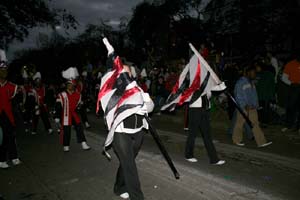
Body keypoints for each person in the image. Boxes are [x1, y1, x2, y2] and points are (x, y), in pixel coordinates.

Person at [98, 37, 154, 200]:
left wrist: (145, 105)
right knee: (130, 165)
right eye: (124, 73)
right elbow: (110, 109)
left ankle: (118, 186)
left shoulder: (137, 88)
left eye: (129, 73)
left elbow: (150, 106)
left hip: (137, 132)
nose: (128, 75)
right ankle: (137, 197)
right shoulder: (111, 93)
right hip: (120, 132)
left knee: (126, 162)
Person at [232, 66, 272, 147]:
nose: (255, 75)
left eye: (255, 73)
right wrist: (244, 105)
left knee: (255, 124)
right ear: (248, 73)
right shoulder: (240, 82)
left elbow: (254, 96)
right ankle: (236, 140)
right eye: (253, 73)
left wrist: (256, 105)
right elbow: (238, 95)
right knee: (240, 123)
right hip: (244, 108)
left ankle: (261, 142)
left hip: (252, 107)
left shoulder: (252, 83)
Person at [54, 67, 91, 152]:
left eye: (72, 85)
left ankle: (83, 143)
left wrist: (81, 105)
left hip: (74, 114)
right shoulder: (62, 95)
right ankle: (66, 145)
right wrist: (57, 116)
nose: (70, 86)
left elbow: (79, 104)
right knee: (67, 130)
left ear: (74, 85)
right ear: (67, 85)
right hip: (65, 114)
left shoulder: (77, 94)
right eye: (69, 84)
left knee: (79, 127)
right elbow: (58, 106)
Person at [0, 51, 22, 169]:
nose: (4, 72)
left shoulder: (12, 86)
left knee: (11, 136)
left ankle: (14, 157)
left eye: (5, 70)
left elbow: (15, 103)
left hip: (8, 115)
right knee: (1, 138)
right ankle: (2, 159)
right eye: (1, 70)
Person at [281, 55, 300, 133]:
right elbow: (284, 78)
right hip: (294, 87)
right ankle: (288, 125)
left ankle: (298, 127)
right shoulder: (290, 64)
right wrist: (292, 84)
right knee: (291, 106)